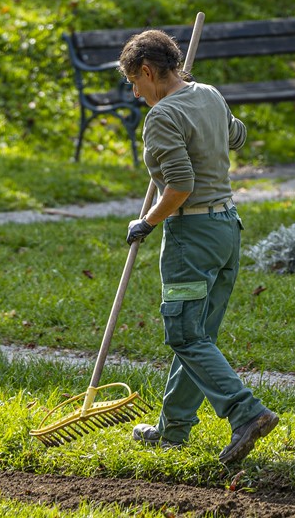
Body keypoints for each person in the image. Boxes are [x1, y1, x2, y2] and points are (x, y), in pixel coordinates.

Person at [118, 28, 279, 465]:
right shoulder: (208, 93)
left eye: (135, 82)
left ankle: (247, 413)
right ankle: (172, 430)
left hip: (193, 235)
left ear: (149, 71)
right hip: (227, 228)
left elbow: (181, 185)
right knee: (198, 334)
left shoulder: (162, 117)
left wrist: (146, 222)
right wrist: (207, 112)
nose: (135, 94)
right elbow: (237, 136)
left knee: (185, 333)